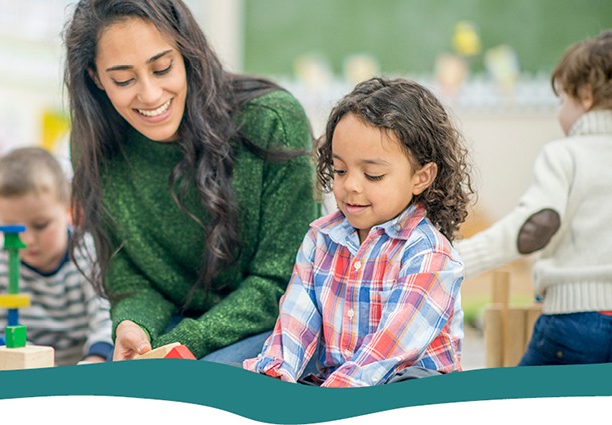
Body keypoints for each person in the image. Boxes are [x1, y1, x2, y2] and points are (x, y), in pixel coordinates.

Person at [63, 0, 320, 363]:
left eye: (163, 67)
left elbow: (282, 282)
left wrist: (187, 342)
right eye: (123, 79)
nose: (150, 95)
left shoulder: (273, 120)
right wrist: (133, 325)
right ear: (95, 78)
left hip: (275, 327)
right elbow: (132, 276)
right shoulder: (94, 147)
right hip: (177, 331)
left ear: (187, 54)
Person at [244, 77, 474, 387]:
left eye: (373, 175)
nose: (350, 185)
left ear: (421, 177)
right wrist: (275, 374)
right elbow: (294, 325)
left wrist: (336, 395)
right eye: (340, 170)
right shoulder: (320, 240)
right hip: (338, 384)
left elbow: (388, 351)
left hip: (402, 387)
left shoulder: (430, 255)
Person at [456, 30, 612, 366]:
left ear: (585, 95)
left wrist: (456, 259)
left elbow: (535, 227)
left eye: (562, 101)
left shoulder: (564, 155)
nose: (561, 112)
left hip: (577, 321)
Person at [0, 146, 114, 365]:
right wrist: (22, 359)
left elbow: (106, 320)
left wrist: (93, 360)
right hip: (21, 370)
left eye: (40, 225)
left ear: (69, 210)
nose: (28, 240)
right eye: (11, 229)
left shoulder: (88, 253)